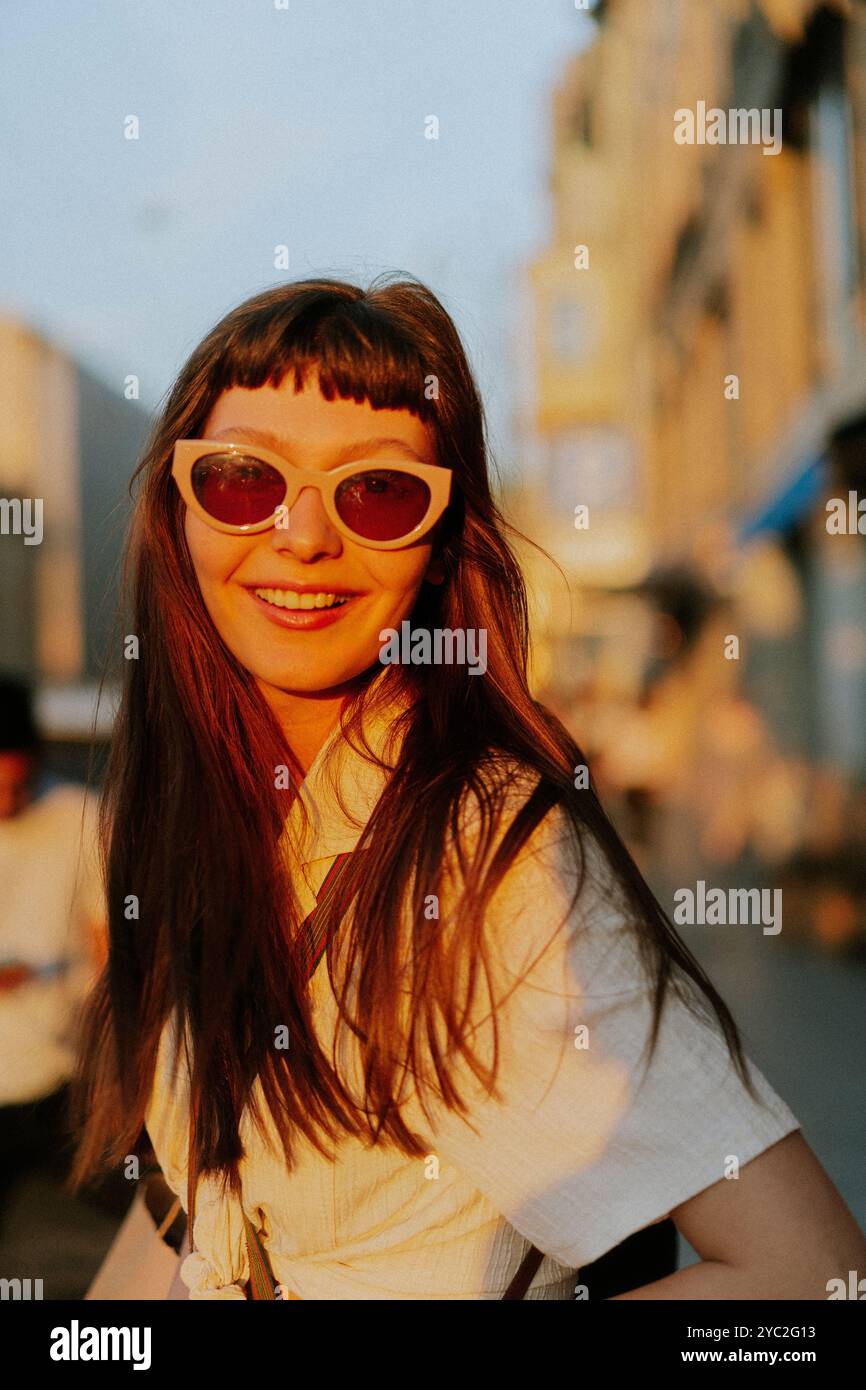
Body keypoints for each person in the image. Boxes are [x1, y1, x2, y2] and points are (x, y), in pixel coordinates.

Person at [69, 276, 866, 1299]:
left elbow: (812, 1274)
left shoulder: (488, 855)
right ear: (175, 511)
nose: (304, 534)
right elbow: (186, 1217)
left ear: (443, 545)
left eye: (378, 492)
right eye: (242, 478)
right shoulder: (201, 830)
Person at [0, 677, 105, 1238]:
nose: (5, 802)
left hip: (64, 1080)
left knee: (155, 1218)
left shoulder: (80, 815)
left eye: (16, 785)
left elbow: (112, 942)